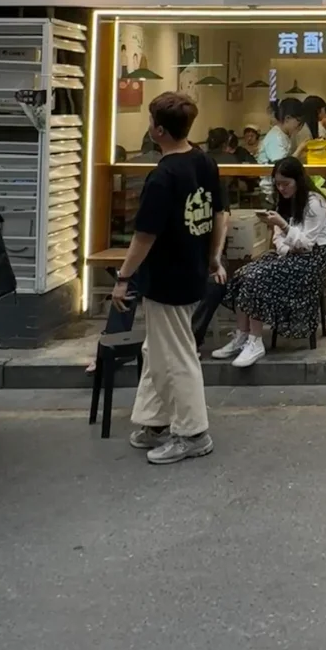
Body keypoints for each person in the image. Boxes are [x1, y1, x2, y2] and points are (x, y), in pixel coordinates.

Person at [111, 91, 228, 466]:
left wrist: (123, 277)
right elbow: (220, 214)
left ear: (158, 130)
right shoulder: (204, 161)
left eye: (150, 121)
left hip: (167, 278)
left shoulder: (162, 177)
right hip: (191, 270)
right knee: (157, 351)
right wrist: (213, 257)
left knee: (176, 356)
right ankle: (155, 421)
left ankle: (193, 433)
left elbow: (145, 236)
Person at [213, 156, 326, 368]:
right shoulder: (285, 202)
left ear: (298, 180)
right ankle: (242, 335)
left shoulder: (315, 203)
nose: (281, 188)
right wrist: (285, 245)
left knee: (257, 277)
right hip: (290, 254)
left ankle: (255, 340)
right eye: (278, 184)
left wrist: (284, 226)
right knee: (243, 273)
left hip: (314, 260)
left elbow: (307, 244)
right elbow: (278, 239)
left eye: (286, 184)